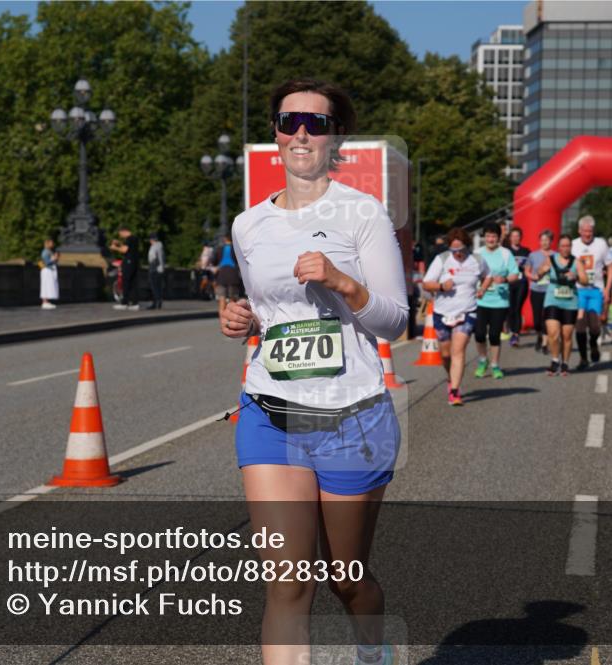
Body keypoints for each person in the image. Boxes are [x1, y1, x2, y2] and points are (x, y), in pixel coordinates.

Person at [218, 78, 407, 665]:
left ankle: (373, 654)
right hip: (271, 413)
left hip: (352, 416)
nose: (301, 132)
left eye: (317, 123)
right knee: (288, 585)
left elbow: (395, 321)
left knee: (345, 578)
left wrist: (342, 281)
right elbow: (271, 317)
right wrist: (238, 318)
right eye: (289, 120)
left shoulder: (362, 212)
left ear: (335, 138)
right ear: (275, 133)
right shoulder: (248, 226)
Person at [422, 228, 491, 405]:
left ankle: (455, 391)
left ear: (467, 246)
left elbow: (488, 275)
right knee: (446, 355)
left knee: (458, 351)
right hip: (442, 312)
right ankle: (450, 377)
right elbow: (426, 284)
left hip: (467, 311)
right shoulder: (442, 259)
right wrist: (442, 286)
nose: (458, 254)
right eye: (454, 250)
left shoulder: (476, 260)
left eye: (461, 250)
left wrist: (482, 289)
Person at [473, 222, 520, 380]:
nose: (491, 239)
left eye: (494, 236)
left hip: (499, 301)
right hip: (480, 300)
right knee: (479, 334)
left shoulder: (506, 254)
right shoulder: (477, 254)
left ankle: (494, 364)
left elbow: (516, 274)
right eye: (488, 236)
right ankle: (482, 360)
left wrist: (505, 278)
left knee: (494, 335)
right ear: (484, 237)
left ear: (498, 238)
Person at [537, 234, 589, 376]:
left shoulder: (576, 262)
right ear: (558, 247)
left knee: (566, 336)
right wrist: (542, 271)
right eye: (563, 246)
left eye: (568, 246)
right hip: (552, 300)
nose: (565, 248)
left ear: (571, 247)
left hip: (570, 302)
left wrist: (576, 277)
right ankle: (554, 361)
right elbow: (539, 273)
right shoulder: (550, 259)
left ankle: (565, 363)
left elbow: (585, 280)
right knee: (553, 334)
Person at [571, 215, 612, 371]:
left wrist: (607, 289)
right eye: (584, 231)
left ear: (593, 231)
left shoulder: (601, 244)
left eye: (590, 231)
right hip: (578, 291)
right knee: (580, 326)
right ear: (579, 230)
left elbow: (610, 267)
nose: (587, 234)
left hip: (596, 290)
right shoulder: (573, 245)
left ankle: (593, 345)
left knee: (595, 326)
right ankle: (583, 358)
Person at [524, 230, 554, 355]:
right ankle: (539, 335)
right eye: (542, 240)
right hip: (536, 289)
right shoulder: (533, 255)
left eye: (547, 240)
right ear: (539, 241)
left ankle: (545, 343)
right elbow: (526, 271)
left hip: (550, 291)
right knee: (537, 320)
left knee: (547, 317)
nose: (544, 242)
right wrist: (532, 277)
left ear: (551, 241)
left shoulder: (555, 255)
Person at [506, 227, 531, 347]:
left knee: (517, 308)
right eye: (513, 236)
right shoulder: (506, 251)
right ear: (510, 237)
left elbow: (530, 267)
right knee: (510, 309)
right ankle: (511, 330)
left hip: (522, 282)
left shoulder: (526, 251)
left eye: (518, 236)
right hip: (509, 283)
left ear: (521, 237)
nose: (516, 238)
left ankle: (515, 334)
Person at [110, 226, 140, 310]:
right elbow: (128, 247)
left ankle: (124, 303)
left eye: (120, 233)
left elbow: (124, 250)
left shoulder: (129, 239)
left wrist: (115, 248)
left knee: (126, 281)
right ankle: (135, 303)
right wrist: (119, 243)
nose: (120, 235)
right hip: (134, 262)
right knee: (133, 282)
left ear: (124, 231)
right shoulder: (134, 238)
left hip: (128, 262)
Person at [214, 234, 243, 314]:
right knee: (232, 300)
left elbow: (214, 262)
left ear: (225, 239)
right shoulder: (236, 249)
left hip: (221, 277)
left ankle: (222, 323)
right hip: (233, 276)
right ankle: (230, 322)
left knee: (222, 299)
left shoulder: (219, 249)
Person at [146, 232, 166, 310]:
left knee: (154, 287)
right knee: (158, 287)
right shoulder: (160, 246)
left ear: (152, 239)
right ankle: (158, 302)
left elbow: (154, 258)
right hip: (160, 269)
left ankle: (156, 302)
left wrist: (152, 266)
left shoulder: (155, 247)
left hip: (155, 269)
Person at [39, 238, 59, 309]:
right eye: (51, 243)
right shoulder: (45, 252)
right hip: (47, 270)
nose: (52, 244)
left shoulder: (49, 251)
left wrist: (55, 258)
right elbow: (46, 262)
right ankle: (44, 302)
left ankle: (46, 301)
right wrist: (53, 259)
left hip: (49, 270)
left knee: (48, 286)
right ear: (48, 243)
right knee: (46, 286)